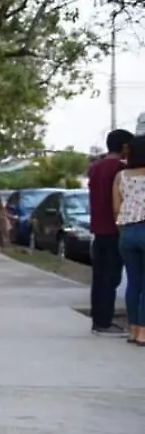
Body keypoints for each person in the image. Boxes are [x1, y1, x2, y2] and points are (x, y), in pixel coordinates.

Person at [87, 130, 132, 337]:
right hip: (116, 228)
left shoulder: (95, 168)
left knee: (99, 277)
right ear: (124, 146)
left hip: (98, 229)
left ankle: (98, 320)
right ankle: (105, 321)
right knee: (111, 278)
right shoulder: (122, 170)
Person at [112, 135, 145, 345]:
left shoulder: (120, 176)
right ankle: (143, 332)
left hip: (126, 232)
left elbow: (116, 208)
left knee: (134, 282)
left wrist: (123, 227)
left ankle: (133, 330)